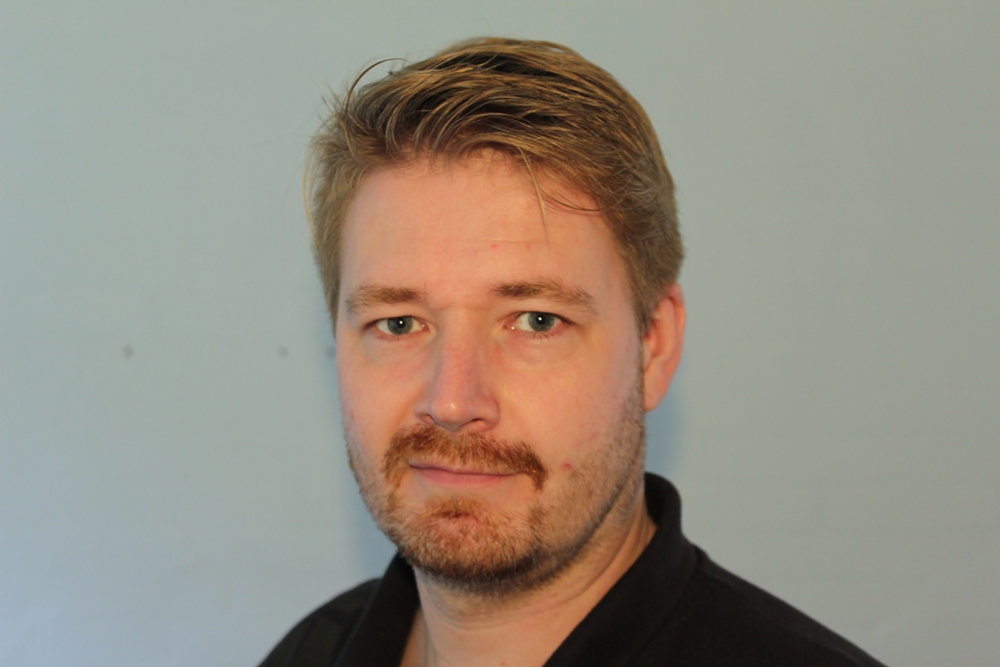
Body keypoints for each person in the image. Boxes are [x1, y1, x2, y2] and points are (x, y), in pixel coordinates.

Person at [260, 37, 886, 667]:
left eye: (536, 321)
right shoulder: (307, 653)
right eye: (398, 323)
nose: (451, 401)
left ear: (654, 346)